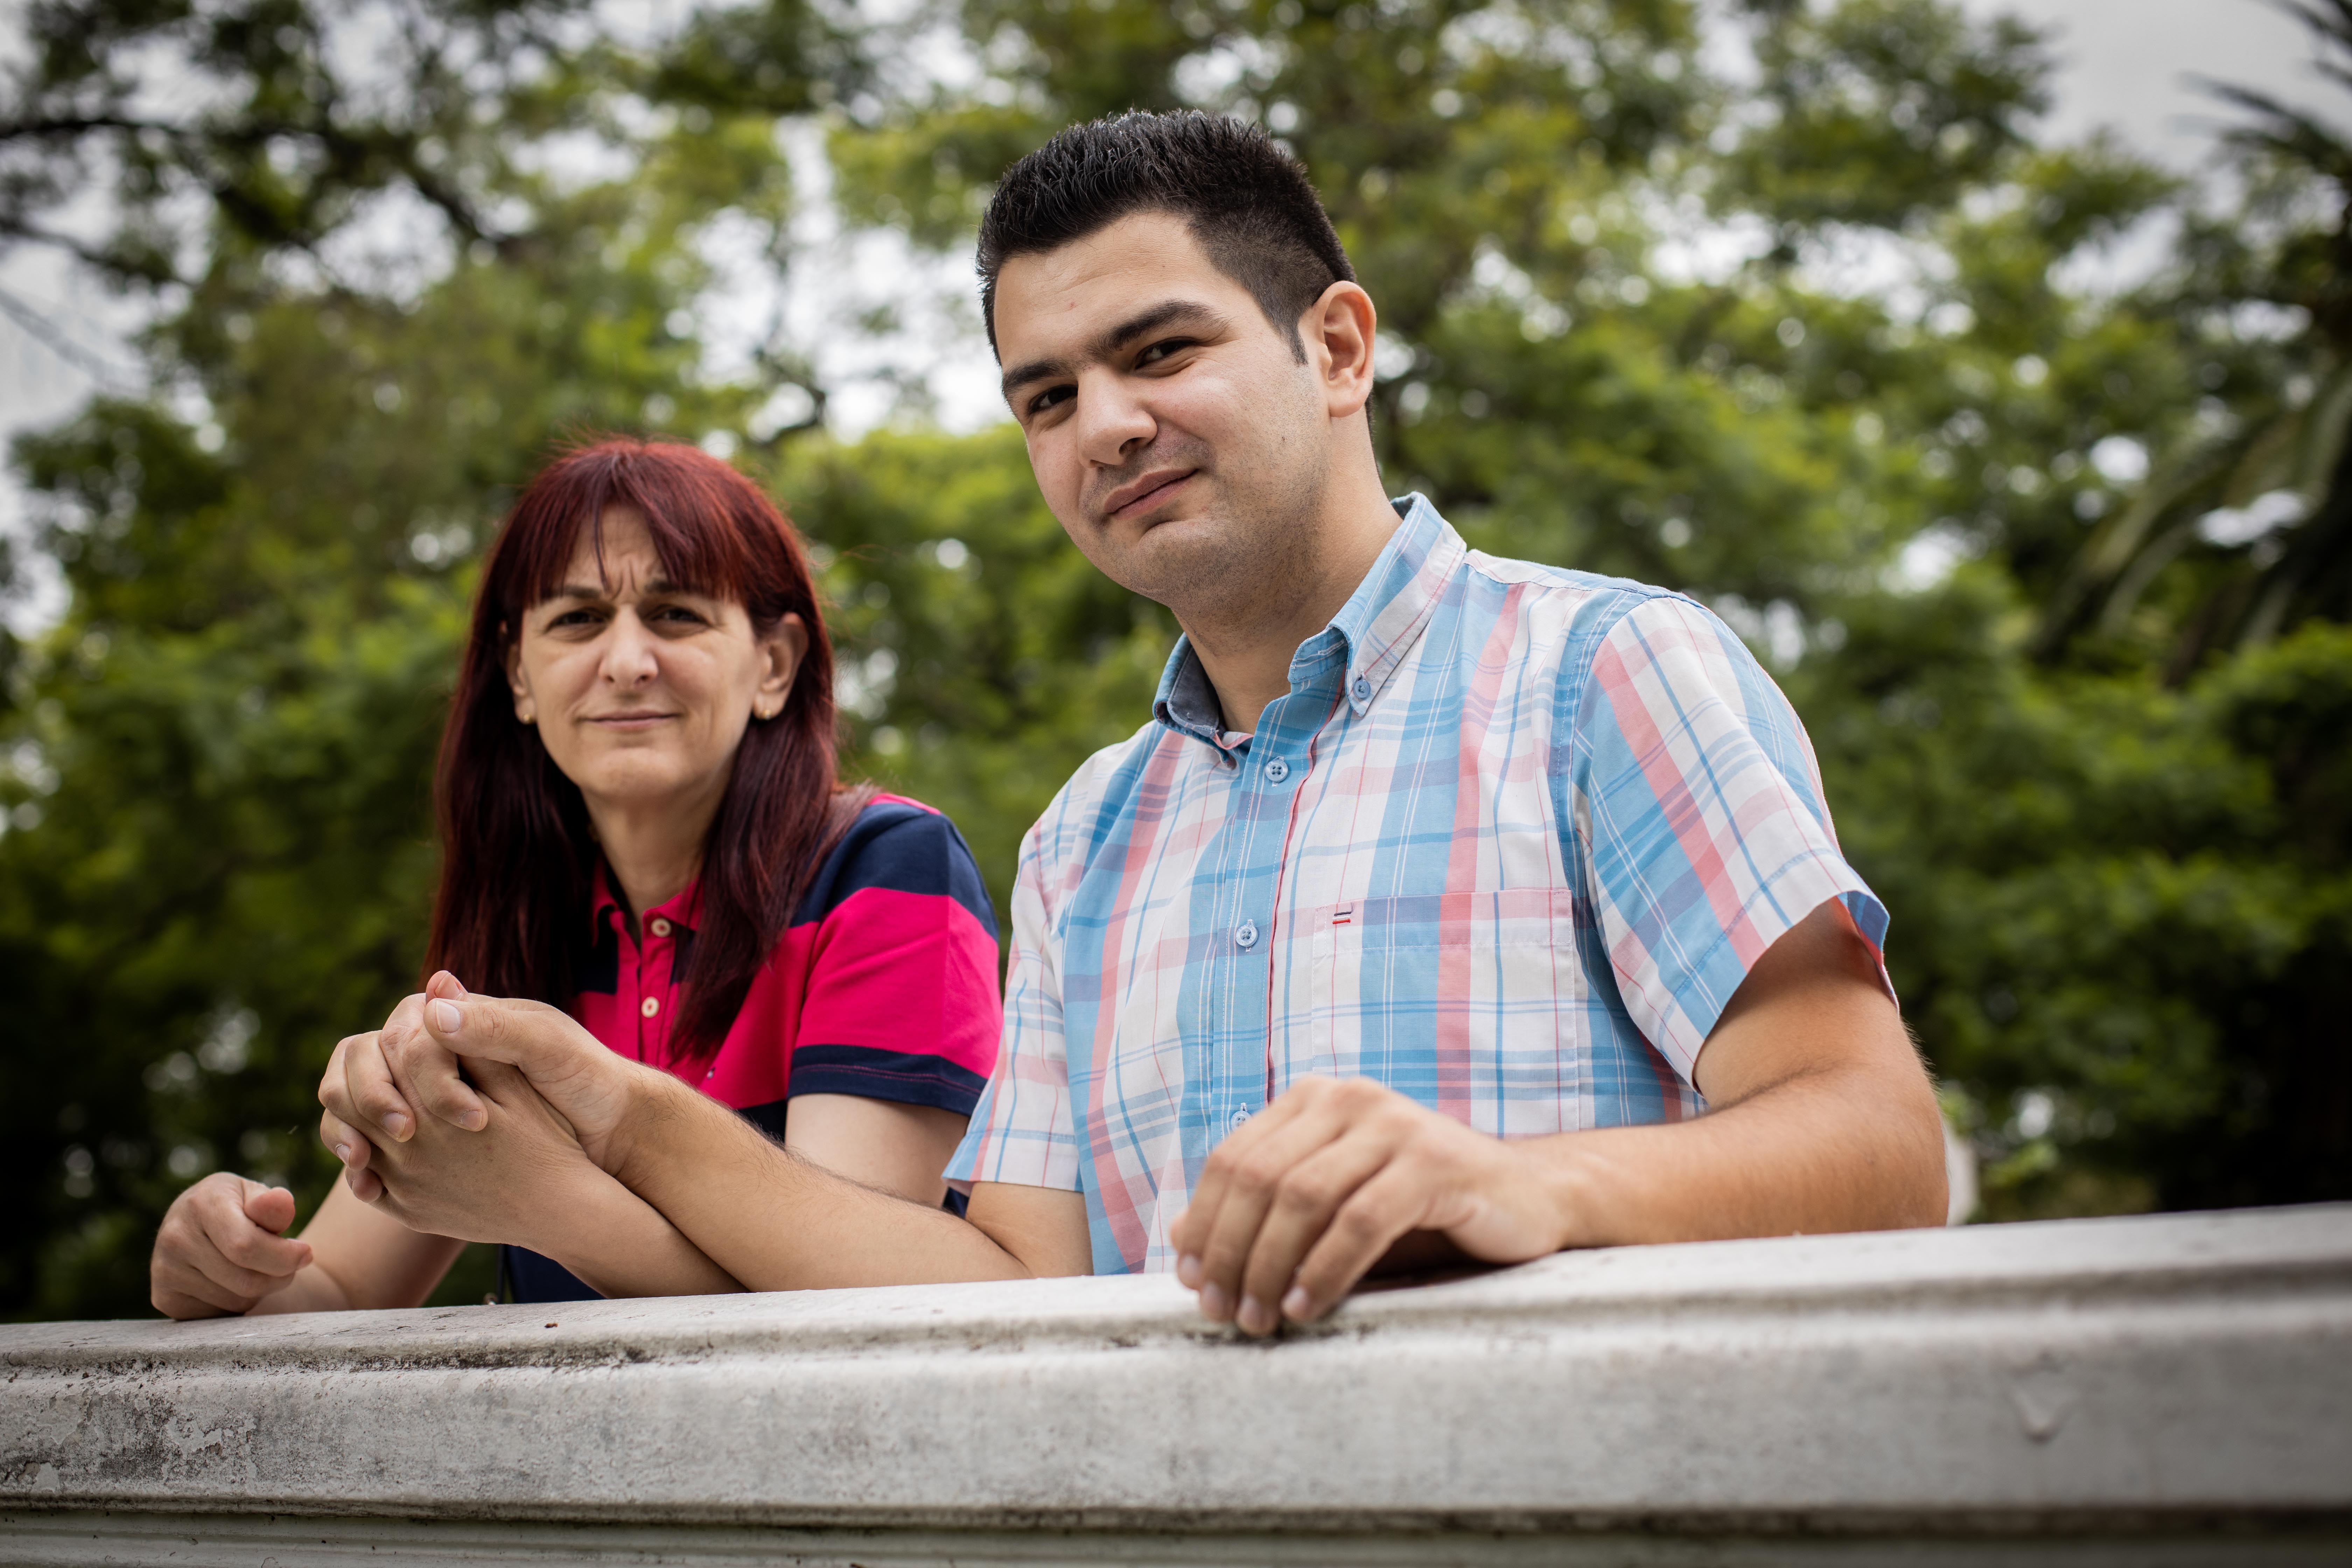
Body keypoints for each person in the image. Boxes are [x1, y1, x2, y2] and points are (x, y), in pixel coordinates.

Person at [318, 112, 1948, 1334]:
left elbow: (1883, 1149)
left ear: (1337, 346)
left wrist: (1535, 1190)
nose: (1106, 423)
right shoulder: (1092, 830)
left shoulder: (1605, 671)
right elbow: (992, 1296)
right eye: (1046, 393)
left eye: (1160, 349)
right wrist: (609, 1111)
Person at [148, 439, 1001, 1319]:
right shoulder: (522, 924)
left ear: (775, 665)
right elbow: (336, 1287)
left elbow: (867, 1300)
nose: (627, 660)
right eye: (578, 619)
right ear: (519, 673)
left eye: (675, 614)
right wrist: (227, 1261)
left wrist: (548, 1202)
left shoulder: (885, 866)